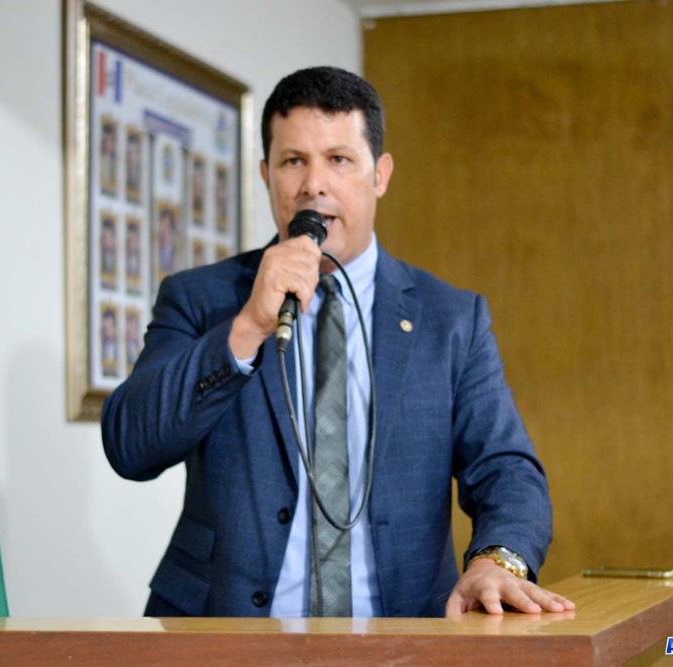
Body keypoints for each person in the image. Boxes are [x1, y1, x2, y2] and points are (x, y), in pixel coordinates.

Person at [101, 66, 574, 619]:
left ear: (380, 175)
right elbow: (131, 445)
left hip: (403, 637)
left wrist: (498, 560)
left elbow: (506, 468)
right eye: (293, 161)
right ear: (266, 174)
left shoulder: (451, 319)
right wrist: (248, 326)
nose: (314, 185)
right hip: (225, 634)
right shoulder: (201, 298)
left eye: (339, 159)